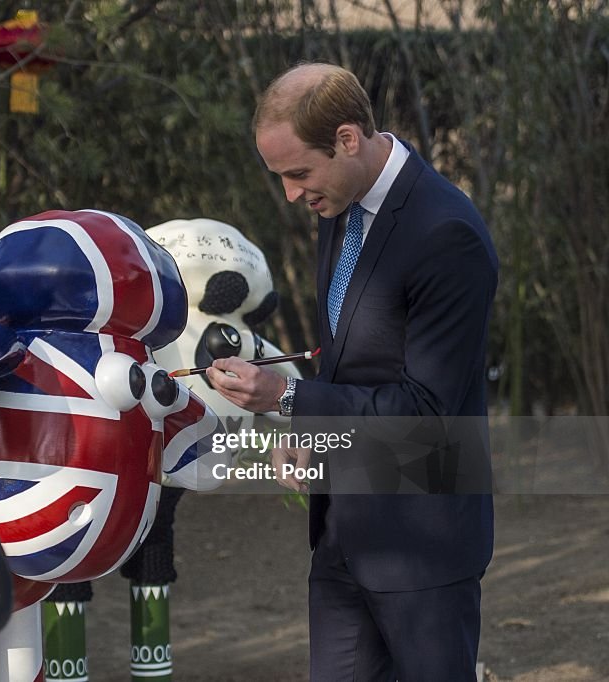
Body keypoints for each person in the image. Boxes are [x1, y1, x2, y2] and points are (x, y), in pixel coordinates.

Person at [206, 62, 498, 681]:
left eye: (297, 173)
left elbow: (426, 412)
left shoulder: (448, 234)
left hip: (424, 548)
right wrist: (302, 427)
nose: (290, 193)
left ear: (347, 138)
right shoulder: (339, 200)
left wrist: (287, 398)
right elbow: (355, 356)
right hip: (341, 536)